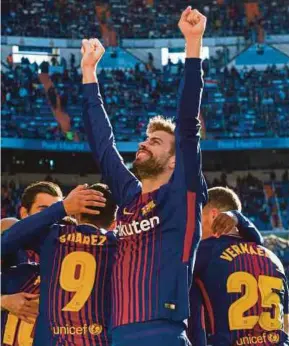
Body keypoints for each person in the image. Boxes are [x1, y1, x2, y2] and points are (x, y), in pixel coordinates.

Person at [81, 7, 207, 346]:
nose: (143, 143)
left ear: (173, 161)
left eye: (155, 142)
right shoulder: (129, 198)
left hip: (163, 333)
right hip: (117, 335)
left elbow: (187, 127)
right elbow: (103, 145)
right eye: (145, 138)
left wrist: (193, 45)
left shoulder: (182, 193)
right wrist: (89, 73)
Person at [2, 183, 116, 346]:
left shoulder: (52, 240)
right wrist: (3, 301)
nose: (55, 219)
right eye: (44, 211)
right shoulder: (18, 268)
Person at [188, 187, 289, 345]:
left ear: (213, 215)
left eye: (198, 217)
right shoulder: (273, 258)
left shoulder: (202, 253)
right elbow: (286, 322)